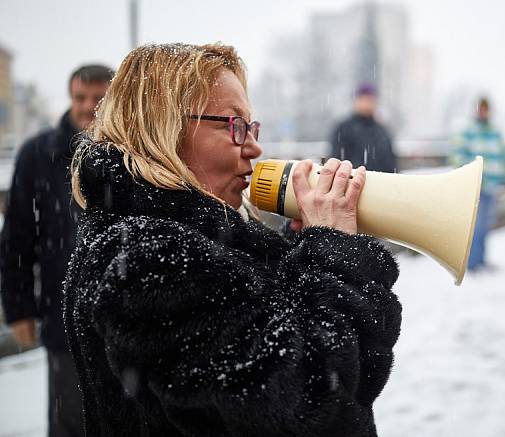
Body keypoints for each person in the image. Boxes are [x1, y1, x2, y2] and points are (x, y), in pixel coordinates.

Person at [63, 43, 401, 437]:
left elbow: (332, 371)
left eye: (251, 128)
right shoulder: (150, 260)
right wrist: (332, 255)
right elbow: (308, 410)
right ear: (165, 130)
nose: (254, 148)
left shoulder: (172, 240)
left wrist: (301, 258)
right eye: (234, 125)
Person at [0, 64, 112, 436]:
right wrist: (19, 309)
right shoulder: (37, 155)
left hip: (121, 319)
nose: (87, 107)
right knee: (70, 422)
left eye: (98, 99)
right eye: (80, 98)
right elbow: (17, 237)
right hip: (62, 314)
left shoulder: (133, 154)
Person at [451, 97, 505, 271]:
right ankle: (473, 262)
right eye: (481, 109)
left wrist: (501, 176)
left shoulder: (495, 132)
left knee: (487, 225)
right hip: (475, 187)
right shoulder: (468, 131)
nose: (483, 112)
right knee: (476, 226)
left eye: (486, 109)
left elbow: (502, 157)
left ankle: (482, 259)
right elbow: (458, 156)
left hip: (491, 186)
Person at [329, 82, 397, 173]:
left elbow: (390, 162)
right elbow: (336, 159)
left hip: (379, 182)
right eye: (362, 100)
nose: (366, 104)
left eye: (370, 100)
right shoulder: (344, 129)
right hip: (351, 181)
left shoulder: (382, 131)